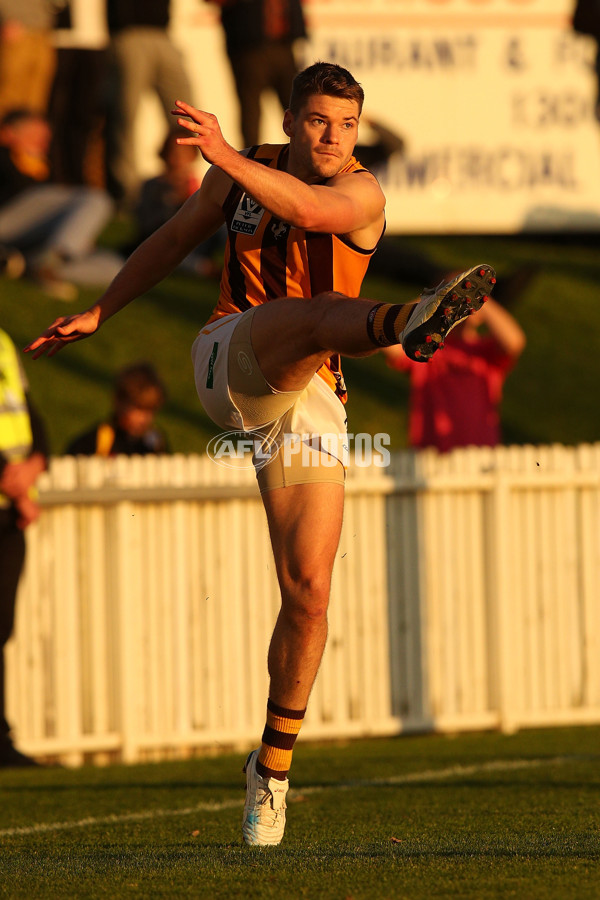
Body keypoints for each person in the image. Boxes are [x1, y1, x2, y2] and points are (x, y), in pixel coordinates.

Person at [25, 62, 496, 844]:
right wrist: (101, 312)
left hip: (312, 387)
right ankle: (407, 322)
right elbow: (174, 238)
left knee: (309, 591)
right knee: (318, 313)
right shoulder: (244, 170)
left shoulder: (362, 192)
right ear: (288, 120)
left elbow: (312, 211)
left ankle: (270, 772)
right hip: (230, 356)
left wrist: (224, 155)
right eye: (317, 121)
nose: (332, 138)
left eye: (345, 126)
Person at [0, 107, 122, 299]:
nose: (44, 144)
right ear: (8, 133)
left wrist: (77, 231)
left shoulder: (43, 165)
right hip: (7, 221)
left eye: (46, 139)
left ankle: (25, 265)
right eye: (36, 137)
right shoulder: (6, 158)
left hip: (33, 238)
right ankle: (49, 262)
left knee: (115, 267)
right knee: (95, 199)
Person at [383, 297, 526, 452]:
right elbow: (386, 334)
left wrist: (483, 300)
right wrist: (431, 301)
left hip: (482, 455)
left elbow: (514, 342)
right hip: (430, 455)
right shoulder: (428, 350)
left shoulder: (487, 353)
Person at [0, 327, 49, 768]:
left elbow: (29, 415)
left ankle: (0, 737)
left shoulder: (2, 342)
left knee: (1, 627)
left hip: (7, 514)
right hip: (10, 500)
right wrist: (15, 488)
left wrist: (37, 460)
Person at [104, 0, 194, 210]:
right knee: (125, 118)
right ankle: (129, 196)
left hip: (163, 32)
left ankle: (185, 188)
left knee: (185, 117)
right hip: (129, 32)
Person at [122, 129, 224, 278]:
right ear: (164, 154)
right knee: (165, 256)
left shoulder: (201, 186)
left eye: (184, 154)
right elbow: (146, 226)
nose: (178, 159)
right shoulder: (151, 186)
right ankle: (208, 269)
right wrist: (172, 201)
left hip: (197, 243)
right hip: (164, 244)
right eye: (173, 153)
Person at [208, 0, 307, 147]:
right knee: (251, 113)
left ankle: (306, 154)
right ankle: (250, 161)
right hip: (249, 48)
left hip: (284, 45)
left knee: (298, 107)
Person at [64, 361, 169, 456]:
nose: (144, 418)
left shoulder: (155, 441)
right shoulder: (93, 442)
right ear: (119, 401)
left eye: (150, 410)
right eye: (139, 408)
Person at [0, 0, 59, 118]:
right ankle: (7, 133)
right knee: (11, 92)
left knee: (38, 93)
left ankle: (29, 133)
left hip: (44, 31)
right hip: (18, 30)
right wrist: (5, 19)